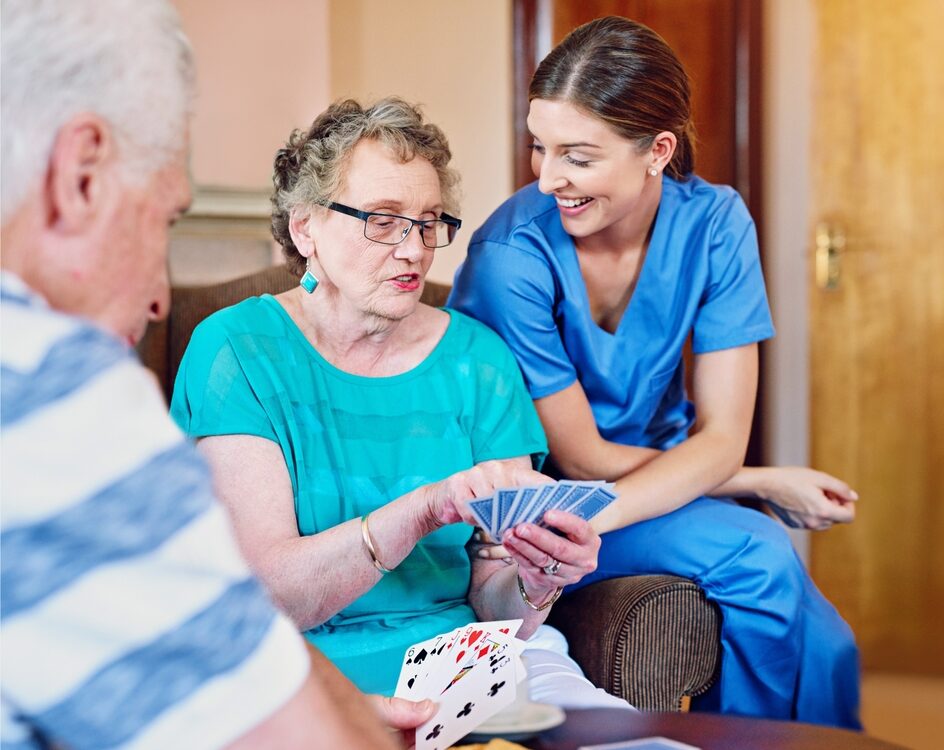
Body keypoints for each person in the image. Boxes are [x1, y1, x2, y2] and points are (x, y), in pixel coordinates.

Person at [0, 1, 434, 747]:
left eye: (428, 223)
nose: (160, 296)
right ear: (81, 175)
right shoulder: (50, 387)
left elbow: (217, 629)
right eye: (165, 220)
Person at [448, 16, 861, 728]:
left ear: (657, 151)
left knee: (827, 641)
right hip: (547, 507)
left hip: (654, 489)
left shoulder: (717, 223)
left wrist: (729, 472)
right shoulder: (511, 256)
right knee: (758, 553)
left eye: (577, 155)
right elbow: (581, 457)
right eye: (539, 147)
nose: (548, 179)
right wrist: (756, 484)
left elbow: (723, 435)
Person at [168, 97, 631, 711]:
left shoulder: (479, 361)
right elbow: (271, 600)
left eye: (429, 221)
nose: (413, 249)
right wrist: (420, 511)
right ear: (305, 226)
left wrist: (535, 580)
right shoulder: (237, 350)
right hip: (294, 670)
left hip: (463, 667)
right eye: (382, 220)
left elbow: (499, 610)